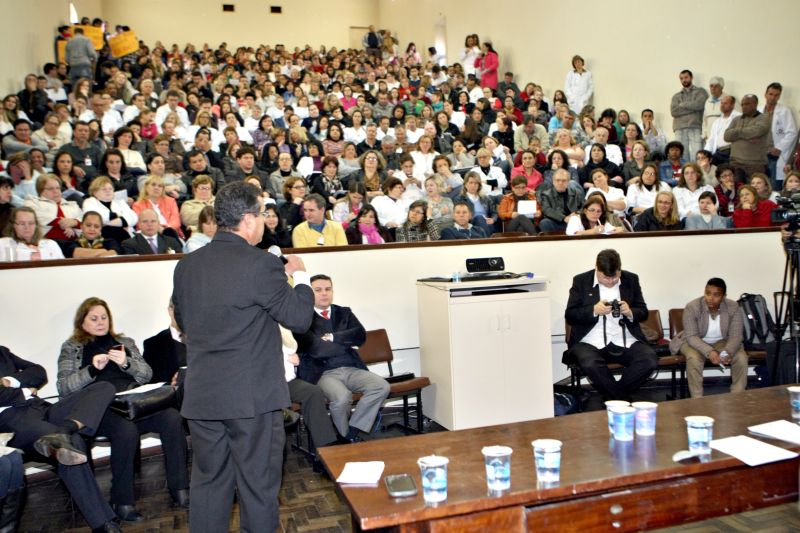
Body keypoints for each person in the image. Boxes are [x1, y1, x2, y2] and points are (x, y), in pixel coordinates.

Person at [172, 181, 314, 532]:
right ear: (248, 219)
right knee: (258, 488)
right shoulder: (260, 264)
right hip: (252, 400)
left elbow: (185, 323)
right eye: (263, 214)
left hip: (203, 396)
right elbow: (299, 318)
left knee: (209, 486)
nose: (265, 220)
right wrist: (300, 275)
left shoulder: (187, 266)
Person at [57, 297, 190, 522]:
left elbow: (146, 374)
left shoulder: (124, 342)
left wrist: (126, 363)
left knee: (171, 418)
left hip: (131, 403)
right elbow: (64, 387)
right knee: (125, 431)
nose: (101, 322)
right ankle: (122, 501)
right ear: (82, 322)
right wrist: (92, 370)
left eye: (104, 317)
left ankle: (180, 488)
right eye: (94, 318)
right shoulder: (72, 347)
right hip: (100, 408)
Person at [0, 345, 121, 532]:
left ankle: (65, 430)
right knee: (73, 443)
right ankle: (103, 523)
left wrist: (10, 381)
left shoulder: (2, 352)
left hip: (41, 408)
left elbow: (39, 372)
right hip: (13, 421)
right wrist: (24, 391)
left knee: (104, 388)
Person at [295, 275, 390, 442]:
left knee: (381, 386)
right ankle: (347, 438)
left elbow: (360, 336)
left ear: (332, 291)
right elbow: (316, 349)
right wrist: (346, 342)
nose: (324, 293)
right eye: (318, 290)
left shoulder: (344, 312)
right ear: (310, 294)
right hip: (322, 373)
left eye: (328, 289)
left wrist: (332, 337)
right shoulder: (302, 318)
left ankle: (349, 434)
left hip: (352, 368)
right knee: (342, 397)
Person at [565, 249, 658, 400]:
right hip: (589, 340)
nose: (610, 281)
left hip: (625, 338)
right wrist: (593, 310)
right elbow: (570, 315)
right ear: (597, 268)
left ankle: (614, 398)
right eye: (605, 277)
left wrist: (630, 312)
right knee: (590, 363)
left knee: (649, 360)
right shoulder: (581, 281)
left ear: (620, 270)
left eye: (614, 277)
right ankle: (621, 399)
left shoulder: (631, 279)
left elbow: (643, 311)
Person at [669, 278, 748, 398]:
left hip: (722, 341)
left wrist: (728, 352)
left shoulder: (733, 307)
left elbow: (736, 335)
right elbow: (692, 337)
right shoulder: (692, 307)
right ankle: (697, 399)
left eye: (716, 295)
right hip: (693, 342)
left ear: (724, 296)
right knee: (694, 358)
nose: (710, 298)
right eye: (708, 293)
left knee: (741, 357)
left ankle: (737, 397)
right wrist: (710, 351)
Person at [724, 94, 771, 178]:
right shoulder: (736, 119)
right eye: (742, 104)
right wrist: (747, 135)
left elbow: (758, 130)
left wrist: (736, 135)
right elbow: (726, 136)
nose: (744, 107)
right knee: (737, 186)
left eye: (747, 104)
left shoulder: (764, 118)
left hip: (756, 164)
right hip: (736, 163)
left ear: (755, 104)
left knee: (756, 186)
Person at [81, 176, 139, 244]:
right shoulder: (89, 202)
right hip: (102, 237)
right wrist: (120, 218)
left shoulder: (120, 202)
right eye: (104, 189)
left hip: (125, 236)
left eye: (110, 189)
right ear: (95, 192)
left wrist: (104, 223)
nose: (108, 191)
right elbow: (94, 218)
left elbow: (133, 218)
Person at [760, 82, 797, 185]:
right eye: (770, 94)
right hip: (760, 154)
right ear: (765, 94)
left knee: (774, 184)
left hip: (774, 154)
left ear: (779, 96)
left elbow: (792, 132)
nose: (773, 98)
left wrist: (779, 148)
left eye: (776, 95)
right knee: (760, 183)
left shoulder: (784, 111)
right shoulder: (759, 110)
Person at [670, 69, 708, 157]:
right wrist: (692, 107)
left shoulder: (701, 91)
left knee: (697, 154)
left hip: (695, 126)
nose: (684, 80)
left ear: (691, 77)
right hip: (679, 128)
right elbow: (674, 111)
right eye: (681, 78)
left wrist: (683, 105)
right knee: (682, 155)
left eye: (686, 77)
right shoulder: (676, 96)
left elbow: (700, 105)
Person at [539, 168, 584, 232]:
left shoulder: (576, 192)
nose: (560, 183)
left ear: (568, 182)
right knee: (544, 223)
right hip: (556, 222)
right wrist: (564, 218)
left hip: (574, 221)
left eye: (564, 180)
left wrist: (576, 214)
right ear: (553, 182)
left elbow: (584, 207)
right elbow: (547, 210)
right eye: (558, 180)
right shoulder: (546, 194)